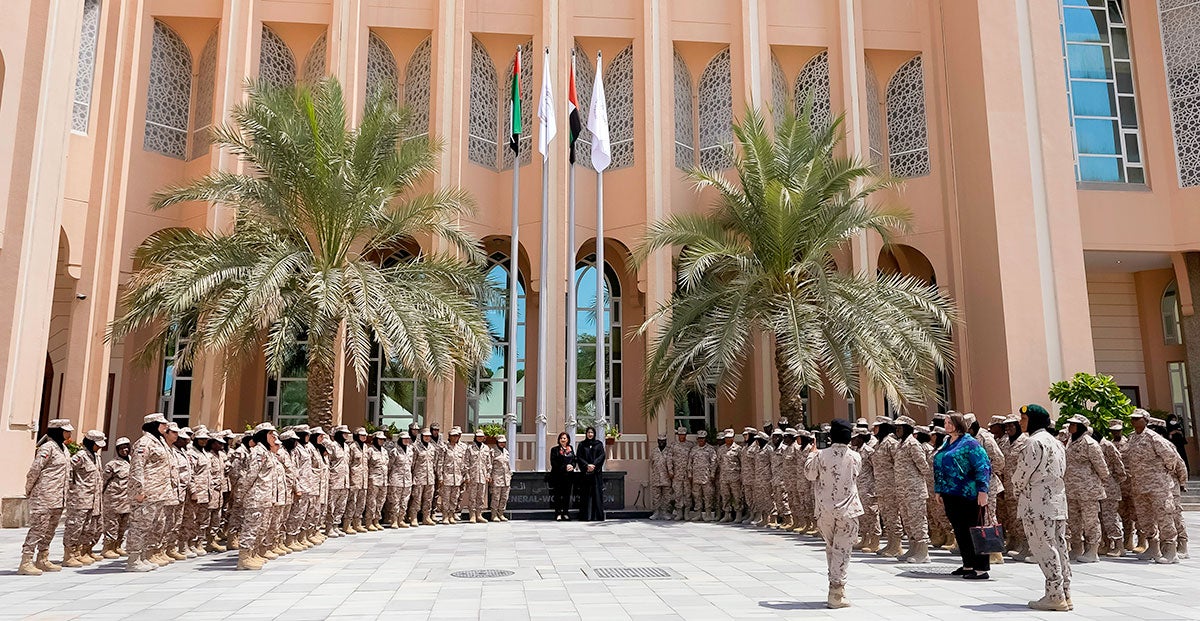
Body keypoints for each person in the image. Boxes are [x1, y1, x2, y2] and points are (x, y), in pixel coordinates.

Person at [1012, 404, 1072, 612]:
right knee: (1059, 546)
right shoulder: (1056, 443)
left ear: (1034, 420)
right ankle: (1065, 592)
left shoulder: (1033, 442)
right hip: (1056, 501)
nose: (1021, 422)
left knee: (1042, 547)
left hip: (1037, 503)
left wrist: (1016, 489)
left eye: (1024, 419)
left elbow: (1023, 472)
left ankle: (1055, 595)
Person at [804, 419, 862, 609]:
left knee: (831, 548)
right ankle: (836, 591)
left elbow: (810, 475)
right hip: (848, 510)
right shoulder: (855, 457)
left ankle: (835, 588)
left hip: (825, 510)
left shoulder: (820, 456)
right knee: (842, 551)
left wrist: (811, 454)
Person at [932, 412, 992, 580]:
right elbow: (939, 465)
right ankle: (968, 564)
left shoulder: (970, 443)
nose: (946, 425)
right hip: (951, 493)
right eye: (945, 422)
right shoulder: (947, 442)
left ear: (959, 423)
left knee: (975, 529)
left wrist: (983, 490)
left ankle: (980, 568)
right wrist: (939, 489)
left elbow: (983, 466)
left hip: (969, 493)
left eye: (950, 422)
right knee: (960, 530)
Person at [1126, 409, 1185, 563]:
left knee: (1164, 516)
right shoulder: (1132, 438)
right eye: (1132, 419)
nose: (1133, 421)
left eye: (1137, 419)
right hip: (1139, 486)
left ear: (1145, 420)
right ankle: (1153, 547)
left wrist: (1165, 472)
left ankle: (1170, 550)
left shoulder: (1153, 437)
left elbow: (1171, 456)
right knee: (1145, 518)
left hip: (1158, 485)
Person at [18, 419, 74, 575]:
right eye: (66, 431)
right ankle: (26, 561)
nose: (69, 434)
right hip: (44, 496)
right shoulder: (47, 448)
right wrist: (29, 490)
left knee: (50, 530)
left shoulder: (64, 449)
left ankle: (42, 558)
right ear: (58, 431)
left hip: (58, 497)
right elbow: (35, 470)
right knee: (38, 529)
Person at [126, 413, 171, 572]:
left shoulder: (159, 442)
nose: (166, 427)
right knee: (140, 526)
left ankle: (143, 556)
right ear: (154, 425)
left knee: (152, 526)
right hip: (146, 493)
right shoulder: (144, 443)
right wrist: (139, 490)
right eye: (163, 424)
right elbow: (137, 467)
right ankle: (133, 560)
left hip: (158, 492)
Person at [1063, 415, 1109, 564]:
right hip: (1072, 489)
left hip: (1088, 490)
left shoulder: (1090, 444)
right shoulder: (1070, 442)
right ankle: (1077, 547)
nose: (1070, 426)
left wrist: (1097, 483)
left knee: (1090, 521)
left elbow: (1102, 468)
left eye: (1073, 424)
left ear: (1081, 426)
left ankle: (1093, 549)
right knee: (1074, 521)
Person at [62, 429, 105, 568]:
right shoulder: (80, 456)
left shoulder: (96, 457)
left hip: (93, 499)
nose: (98, 447)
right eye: (96, 444)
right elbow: (67, 470)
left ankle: (81, 551)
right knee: (75, 526)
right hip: (80, 498)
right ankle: (69, 554)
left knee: (88, 527)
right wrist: (71, 488)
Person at [892, 415, 931, 563]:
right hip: (903, 490)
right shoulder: (900, 445)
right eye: (896, 427)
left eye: (900, 428)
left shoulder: (913, 444)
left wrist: (916, 483)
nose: (897, 430)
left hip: (914, 491)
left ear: (907, 429)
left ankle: (923, 552)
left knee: (917, 521)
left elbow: (924, 467)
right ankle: (913, 548)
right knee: (908, 521)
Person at [870, 417, 902, 557]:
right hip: (881, 486)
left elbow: (898, 463)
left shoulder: (891, 443)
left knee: (893, 515)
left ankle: (897, 545)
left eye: (877, 427)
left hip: (891, 486)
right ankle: (890, 543)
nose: (873, 429)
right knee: (886, 516)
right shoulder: (879, 443)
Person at [1095, 422, 1127, 557]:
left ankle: (1119, 545)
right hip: (1099, 487)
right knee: (1102, 517)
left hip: (1110, 488)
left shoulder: (1107, 445)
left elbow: (1119, 466)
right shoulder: (1096, 446)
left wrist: (1115, 481)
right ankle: (1107, 544)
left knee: (1110, 518)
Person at [101, 437, 132, 559]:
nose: (124, 450)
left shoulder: (132, 462)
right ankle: (107, 548)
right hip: (113, 500)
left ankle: (118, 545)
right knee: (111, 525)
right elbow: (103, 481)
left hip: (127, 500)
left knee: (123, 525)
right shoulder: (112, 464)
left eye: (126, 447)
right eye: (121, 448)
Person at [850, 428, 879, 552]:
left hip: (869, 488)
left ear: (861, 438)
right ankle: (865, 538)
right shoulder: (855, 451)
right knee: (861, 514)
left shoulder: (869, 451)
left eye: (854, 438)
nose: (852, 440)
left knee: (871, 514)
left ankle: (875, 541)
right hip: (859, 487)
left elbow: (876, 469)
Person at [576, 427, 607, 521]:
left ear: (594, 434)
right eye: (588, 432)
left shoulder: (599, 444)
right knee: (586, 494)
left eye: (592, 432)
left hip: (596, 474)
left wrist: (594, 465)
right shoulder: (582, 444)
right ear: (586, 434)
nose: (590, 434)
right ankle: (586, 516)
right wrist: (586, 466)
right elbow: (579, 457)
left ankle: (597, 516)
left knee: (596, 494)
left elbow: (602, 456)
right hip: (585, 474)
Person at [408, 428, 437, 526]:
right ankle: (414, 517)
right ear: (421, 437)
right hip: (419, 477)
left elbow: (434, 463)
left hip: (430, 478)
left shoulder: (432, 448)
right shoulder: (415, 447)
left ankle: (426, 517)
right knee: (416, 498)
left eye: (429, 436)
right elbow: (412, 463)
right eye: (425, 436)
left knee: (428, 499)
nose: (427, 438)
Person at [440, 427, 467, 524]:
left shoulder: (461, 448)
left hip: (458, 477)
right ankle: (445, 516)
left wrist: (464, 475)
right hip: (447, 476)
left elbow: (463, 463)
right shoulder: (444, 447)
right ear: (449, 437)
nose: (455, 437)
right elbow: (440, 463)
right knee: (446, 497)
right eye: (453, 436)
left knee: (454, 497)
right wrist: (440, 476)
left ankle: (451, 515)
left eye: (456, 436)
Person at [387, 431, 414, 528]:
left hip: (407, 480)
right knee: (395, 501)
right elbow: (389, 465)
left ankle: (401, 519)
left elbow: (412, 465)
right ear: (400, 440)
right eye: (404, 439)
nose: (406, 440)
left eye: (408, 439)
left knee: (404, 501)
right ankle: (394, 520)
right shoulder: (394, 451)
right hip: (396, 480)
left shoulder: (411, 451)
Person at [689, 430, 717, 521]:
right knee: (697, 496)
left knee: (708, 496)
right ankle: (698, 514)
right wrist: (690, 474)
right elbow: (690, 462)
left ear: (705, 439)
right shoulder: (694, 449)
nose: (701, 440)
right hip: (696, 477)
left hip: (706, 477)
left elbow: (713, 462)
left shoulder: (710, 449)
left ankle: (708, 514)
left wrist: (712, 474)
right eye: (699, 438)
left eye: (703, 438)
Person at [464, 431, 491, 524]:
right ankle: (472, 515)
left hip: (482, 476)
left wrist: (488, 475)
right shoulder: (470, 448)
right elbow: (466, 463)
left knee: (481, 497)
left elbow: (488, 463)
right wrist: (467, 475)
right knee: (472, 496)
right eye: (478, 436)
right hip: (473, 476)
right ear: (475, 437)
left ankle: (479, 514)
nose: (480, 438)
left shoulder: (486, 448)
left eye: (481, 437)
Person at [667, 427, 693, 521]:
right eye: (680, 435)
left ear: (686, 435)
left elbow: (693, 459)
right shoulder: (673, 445)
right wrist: (670, 471)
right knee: (678, 494)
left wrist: (691, 472)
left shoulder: (690, 445)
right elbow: (669, 459)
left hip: (687, 475)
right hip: (677, 474)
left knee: (687, 494)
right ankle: (679, 513)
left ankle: (686, 513)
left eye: (683, 435)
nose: (681, 436)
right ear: (677, 435)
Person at [365, 431, 390, 531]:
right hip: (374, 480)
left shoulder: (384, 451)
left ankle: (376, 520)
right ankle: (369, 521)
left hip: (383, 480)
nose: (381, 441)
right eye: (379, 439)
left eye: (383, 439)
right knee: (372, 501)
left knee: (380, 501)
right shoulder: (370, 450)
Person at [717, 430, 743, 523]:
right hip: (724, 477)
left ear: (733, 437)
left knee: (737, 496)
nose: (728, 439)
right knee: (725, 496)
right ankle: (727, 514)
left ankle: (738, 514)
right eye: (726, 438)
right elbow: (719, 462)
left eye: (730, 437)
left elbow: (742, 463)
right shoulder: (721, 449)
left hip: (735, 477)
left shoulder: (738, 449)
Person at [549, 432, 576, 520]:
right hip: (558, 476)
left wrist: (572, 465)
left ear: (568, 439)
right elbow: (554, 463)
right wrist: (565, 467)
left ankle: (565, 512)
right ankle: (558, 513)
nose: (563, 440)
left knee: (567, 495)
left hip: (569, 476)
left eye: (564, 438)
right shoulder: (555, 450)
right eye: (561, 438)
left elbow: (574, 459)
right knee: (558, 495)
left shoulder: (570, 449)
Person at [490, 435, 513, 521]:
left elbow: (508, 465)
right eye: (501, 442)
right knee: (496, 497)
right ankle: (494, 514)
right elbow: (490, 465)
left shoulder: (506, 452)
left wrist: (510, 474)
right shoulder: (493, 451)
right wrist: (490, 476)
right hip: (497, 477)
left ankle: (501, 513)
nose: (502, 444)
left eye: (504, 442)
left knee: (504, 497)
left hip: (506, 477)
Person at [649, 433, 671, 520]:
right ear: (657, 441)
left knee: (666, 496)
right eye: (660, 441)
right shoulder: (654, 451)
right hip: (656, 477)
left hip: (667, 478)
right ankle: (656, 512)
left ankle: (665, 512)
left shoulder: (669, 451)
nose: (661, 442)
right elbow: (651, 463)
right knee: (656, 496)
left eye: (663, 441)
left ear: (666, 441)